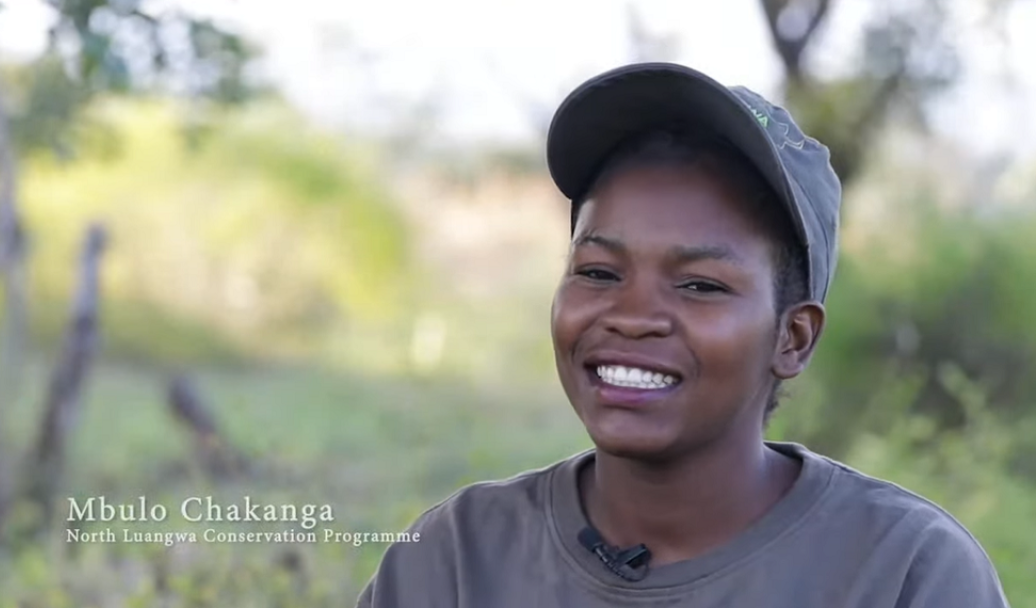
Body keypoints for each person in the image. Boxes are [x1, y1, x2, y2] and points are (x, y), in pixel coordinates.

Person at [354, 62, 1011, 607]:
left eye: (700, 285)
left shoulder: (905, 574)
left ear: (794, 338)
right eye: (598, 271)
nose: (633, 315)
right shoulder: (459, 560)